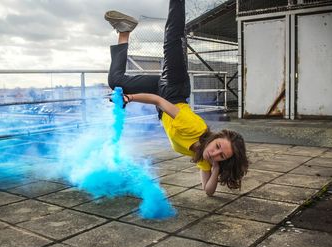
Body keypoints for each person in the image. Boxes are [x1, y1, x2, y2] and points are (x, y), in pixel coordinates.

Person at [105, 0, 248, 196]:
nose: (214, 153)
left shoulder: (205, 158)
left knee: (116, 81)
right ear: (216, 137)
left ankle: (124, 30)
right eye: (217, 147)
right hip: (173, 89)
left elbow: (208, 191)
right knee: (172, 37)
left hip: (163, 94)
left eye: (221, 155)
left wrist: (215, 168)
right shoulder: (195, 128)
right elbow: (159, 102)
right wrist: (129, 98)